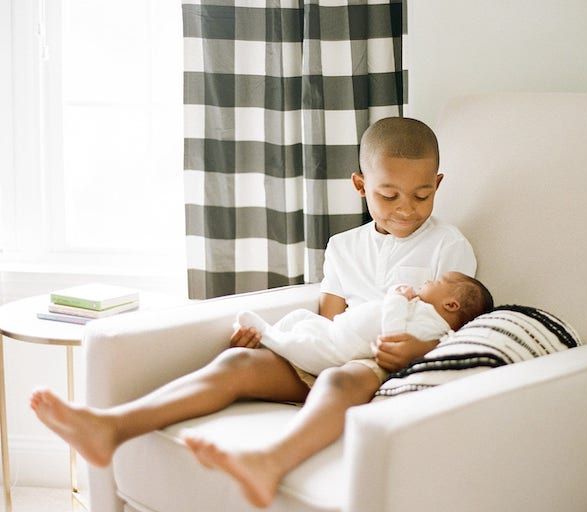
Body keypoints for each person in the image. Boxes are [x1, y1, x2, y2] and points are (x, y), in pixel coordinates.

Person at [29, 116, 478, 508]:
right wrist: (275, 340)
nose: (406, 209)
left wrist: (418, 350)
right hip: (332, 349)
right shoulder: (343, 247)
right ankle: (111, 425)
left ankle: (271, 460)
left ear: (437, 184)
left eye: (421, 196)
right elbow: (326, 319)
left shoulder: (448, 245)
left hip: (377, 366)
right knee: (237, 361)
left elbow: (461, 328)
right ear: (361, 185)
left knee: (343, 377)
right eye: (389, 195)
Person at [235, 271, 492, 384]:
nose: (427, 281)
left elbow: (392, 335)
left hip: (341, 350)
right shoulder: (424, 310)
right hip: (334, 328)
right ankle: (269, 336)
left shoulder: (431, 325)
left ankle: (270, 337)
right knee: (300, 317)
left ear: (451, 304)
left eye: (436, 280)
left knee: (304, 346)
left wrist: (396, 297)